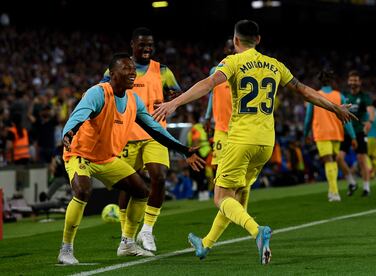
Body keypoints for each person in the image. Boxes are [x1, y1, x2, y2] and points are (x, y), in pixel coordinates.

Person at [153, 20, 356, 264]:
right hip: (266, 143)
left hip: (241, 139)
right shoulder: (275, 65)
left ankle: (256, 231)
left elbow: (209, 84)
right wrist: (335, 107)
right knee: (236, 195)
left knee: (221, 197)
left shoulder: (232, 61)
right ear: (258, 39)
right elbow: (304, 91)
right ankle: (205, 244)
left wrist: (174, 103)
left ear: (235, 41)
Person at [58, 53, 204, 265]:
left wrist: (183, 149)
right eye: (127, 69)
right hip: (79, 153)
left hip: (106, 158)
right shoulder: (98, 93)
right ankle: (66, 249)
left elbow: (155, 129)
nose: (133, 73)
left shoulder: (133, 100)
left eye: (133, 70)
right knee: (82, 190)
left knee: (141, 191)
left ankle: (127, 243)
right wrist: (69, 132)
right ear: (113, 74)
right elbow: (78, 115)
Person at [101, 27, 182, 252]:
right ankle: (126, 237)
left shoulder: (163, 70)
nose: (147, 48)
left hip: (155, 135)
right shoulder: (117, 70)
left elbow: (177, 96)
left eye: (150, 45)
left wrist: (170, 106)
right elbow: (104, 94)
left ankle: (147, 231)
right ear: (132, 45)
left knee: (159, 176)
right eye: (142, 44)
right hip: (126, 136)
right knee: (129, 186)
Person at [304, 70, 356, 202]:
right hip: (336, 133)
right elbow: (346, 118)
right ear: (332, 81)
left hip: (321, 133)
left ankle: (334, 192)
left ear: (320, 81)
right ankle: (334, 191)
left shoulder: (315, 96)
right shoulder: (339, 95)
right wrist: (353, 136)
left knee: (328, 161)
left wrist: (305, 134)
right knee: (333, 160)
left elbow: (308, 118)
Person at [336, 70, 375, 197]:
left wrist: (369, 121)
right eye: (351, 80)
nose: (353, 82)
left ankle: (366, 188)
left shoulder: (364, 97)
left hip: (359, 132)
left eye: (355, 80)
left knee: (361, 159)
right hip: (347, 132)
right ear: (348, 81)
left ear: (360, 82)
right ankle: (352, 182)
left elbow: (371, 110)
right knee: (339, 158)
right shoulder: (345, 96)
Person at [204, 38, 234, 171]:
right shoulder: (215, 71)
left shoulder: (244, 72)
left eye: (235, 47)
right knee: (217, 166)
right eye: (230, 47)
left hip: (238, 127)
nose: (233, 50)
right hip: (221, 127)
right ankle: (220, 192)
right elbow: (212, 94)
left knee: (236, 166)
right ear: (225, 50)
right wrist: (207, 117)